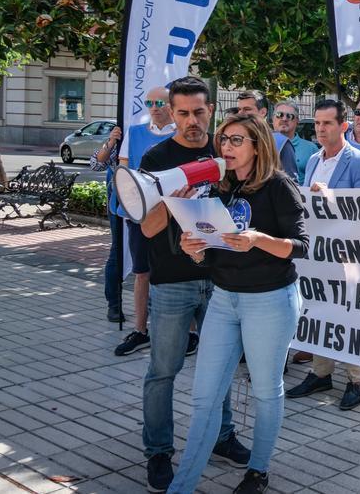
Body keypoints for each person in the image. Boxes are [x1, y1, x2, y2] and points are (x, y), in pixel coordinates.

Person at [168, 113, 307, 494]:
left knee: (265, 390)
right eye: (224, 140)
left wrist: (259, 238)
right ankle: (181, 486)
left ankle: (257, 471)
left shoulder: (279, 186)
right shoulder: (220, 188)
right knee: (204, 397)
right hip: (224, 299)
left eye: (236, 140)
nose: (226, 147)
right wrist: (194, 250)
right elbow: (214, 254)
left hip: (271, 301)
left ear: (257, 145)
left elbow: (301, 246)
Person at [137, 77, 249, 492]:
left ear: (212, 110)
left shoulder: (229, 151)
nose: (191, 121)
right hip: (173, 280)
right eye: (182, 113)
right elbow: (148, 228)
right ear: (170, 112)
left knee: (218, 368)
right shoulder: (156, 158)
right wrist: (170, 197)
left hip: (221, 278)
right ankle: (159, 451)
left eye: (199, 112)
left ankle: (221, 437)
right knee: (163, 371)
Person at [286, 99, 360, 410]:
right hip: (316, 255)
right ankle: (321, 372)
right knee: (319, 311)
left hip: (349, 256)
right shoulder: (313, 160)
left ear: (344, 126)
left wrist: (332, 202)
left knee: (351, 317)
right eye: (317, 123)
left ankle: (355, 380)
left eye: (327, 123)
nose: (320, 129)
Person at [114, 86, 176, 356]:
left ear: (171, 105)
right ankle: (141, 329)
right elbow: (123, 171)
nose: (154, 106)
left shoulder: (182, 135)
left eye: (160, 102)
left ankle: (186, 333)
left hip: (173, 215)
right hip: (139, 214)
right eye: (149, 101)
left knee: (176, 271)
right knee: (142, 272)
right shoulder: (135, 132)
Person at [90, 124, 125, 322]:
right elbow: (96, 164)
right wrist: (111, 141)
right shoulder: (119, 135)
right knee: (117, 251)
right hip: (119, 202)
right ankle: (114, 304)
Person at [236, 91, 298, 181]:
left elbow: (292, 185)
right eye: (239, 109)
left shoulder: (280, 143)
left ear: (263, 112)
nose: (241, 113)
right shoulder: (234, 140)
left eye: (247, 109)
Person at [273, 101, 318, 184]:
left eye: (289, 116)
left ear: (297, 120)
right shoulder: (262, 145)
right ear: (273, 118)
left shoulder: (311, 149)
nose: (284, 119)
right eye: (279, 115)